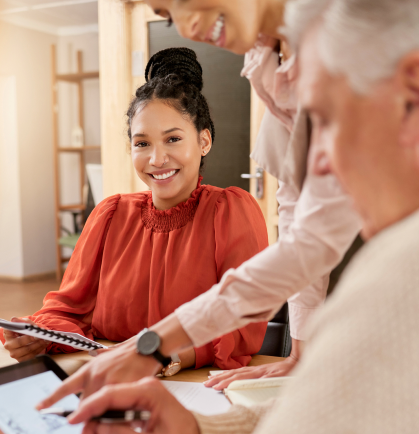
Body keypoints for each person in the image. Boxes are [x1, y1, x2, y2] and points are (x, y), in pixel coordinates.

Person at [48, 0, 419, 432]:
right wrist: (198, 424)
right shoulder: (113, 212)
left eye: (327, 121)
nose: (319, 173)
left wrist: (157, 352)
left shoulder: (396, 278)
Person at [1, 48, 268, 372]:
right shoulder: (109, 216)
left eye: (172, 139)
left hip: (191, 388)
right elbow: (66, 310)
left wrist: (167, 355)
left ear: (204, 141)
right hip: (107, 380)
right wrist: (41, 337)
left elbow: (240, 325)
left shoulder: (230, 213)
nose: (156, 159)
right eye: (142, 144)